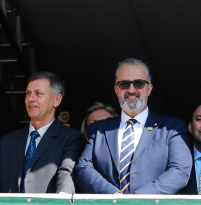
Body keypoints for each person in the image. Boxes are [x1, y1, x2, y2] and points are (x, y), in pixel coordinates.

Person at [75, 58, 192, 194]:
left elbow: (180, 171)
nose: (131, 90)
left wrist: (138, 198)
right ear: (116, 90)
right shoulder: (98, 130)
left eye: (139, 83)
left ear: (149, 89)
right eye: (124, 84)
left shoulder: (171, 128)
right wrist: (113, 196)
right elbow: (83, 168)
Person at [0, 71, 84, 193]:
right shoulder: (6, 142)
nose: (30, 99)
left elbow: (66, 174)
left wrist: (62, 200)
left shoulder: (71, 138)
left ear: (56, 100)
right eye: (28, 93)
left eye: (38, 94)